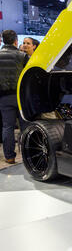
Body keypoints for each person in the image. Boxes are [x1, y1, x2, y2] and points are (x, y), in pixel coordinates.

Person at [0, 30, 28, 164]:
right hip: (21, 97)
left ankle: (10, 157)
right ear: (15, 41)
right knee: (25, 126)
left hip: (4, 97)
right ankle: (27, 155)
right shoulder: (22, 56)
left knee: (7, 127)